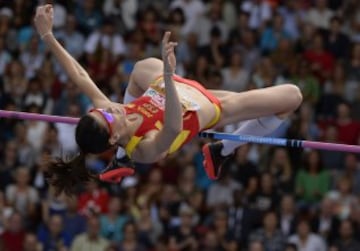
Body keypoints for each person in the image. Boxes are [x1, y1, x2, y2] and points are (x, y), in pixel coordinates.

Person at [34, 4, 302, 195]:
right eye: (107, 116)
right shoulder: (145, 147)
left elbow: (80, 75)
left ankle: (119, 159)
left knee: (140, 68)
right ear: (114, 137)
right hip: (211, 106)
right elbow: (173, 126)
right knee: (292, 96)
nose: (111, 108)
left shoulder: (111, 115)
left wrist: (48, 35)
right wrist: (168, 75)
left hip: (177, 85)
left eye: (98, 110)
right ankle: (222, 150)